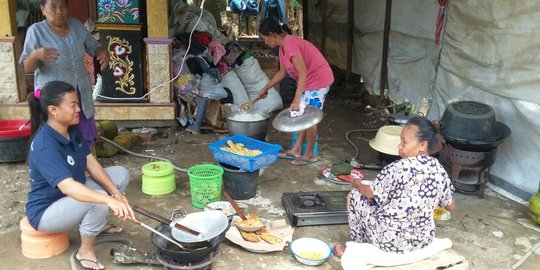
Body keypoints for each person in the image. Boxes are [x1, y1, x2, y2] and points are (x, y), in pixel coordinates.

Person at [26, 81, 135, 270]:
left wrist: (115, 194)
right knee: (96, 201)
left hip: (71, 195)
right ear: (53, 110)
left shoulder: (71, 129)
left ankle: (96, 225)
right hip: (46, 210)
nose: (79, 109)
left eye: (78, 103)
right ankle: (85, 251)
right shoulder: (45, 144)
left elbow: (91, 163)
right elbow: (68, 187)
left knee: (120, 175)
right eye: (73, 105)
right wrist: (107, 200)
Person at [334, 117, 456, 257]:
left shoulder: (398, 167)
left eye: (404, 142)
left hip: (391, 241)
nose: (399, 146)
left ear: (422, 145)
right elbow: (450, 207)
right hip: (423, 240)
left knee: (355, 196)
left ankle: (359, 249)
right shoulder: (439, 169)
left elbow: (370, 193)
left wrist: (357, 184)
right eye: (400, 141)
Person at [20, 0, 109, 149]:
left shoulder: (76, 26)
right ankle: (63, 169)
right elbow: (27, 67)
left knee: (85, 135)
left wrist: (101, 52)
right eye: (53, 7)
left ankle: (87, 167)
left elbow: (94, 47)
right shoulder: (36, 31)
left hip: (80, 93)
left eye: (62, 6)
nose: (59, 11)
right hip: (55, 98)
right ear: (43, 9)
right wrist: (35, 55)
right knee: (58, 138)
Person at [257, 17, 334, 166]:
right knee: (301, 115)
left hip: (319, 80)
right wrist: (265, 88)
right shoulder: (282, 48)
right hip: (308, 82)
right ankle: (297, 150)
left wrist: (297, 98)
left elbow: (303, 72)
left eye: (265, 37)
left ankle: (310, 155)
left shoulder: (290, 44)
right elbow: (282, 73)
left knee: (310, 118)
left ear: (273, 34)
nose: (265, 41)